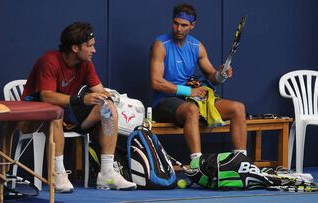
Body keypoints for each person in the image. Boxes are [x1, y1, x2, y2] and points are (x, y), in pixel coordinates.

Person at [22, 22, 137, 192]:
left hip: (66, 112)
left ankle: (107, 173)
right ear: (75, 48)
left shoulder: (85, 63)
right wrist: (81, 99)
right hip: (32, 117)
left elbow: (100, 91)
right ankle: (58, 174)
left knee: (108, 108)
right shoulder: (49, 61)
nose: (94, 50)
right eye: (89, 46)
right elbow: (47, 96)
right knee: (55, 113)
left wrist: (112, 99)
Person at [150, 4, 247, 169]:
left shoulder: (197, 46)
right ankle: (197, 165)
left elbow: (212, 76)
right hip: (165, 102)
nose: (178, 28)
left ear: (192, 26)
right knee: (191, 110)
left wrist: (222, 74)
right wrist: (190, 91)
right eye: (176, 23)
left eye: (184, 25)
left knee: (238, 108)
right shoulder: (161, 45)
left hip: (193, 100)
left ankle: (242, 164)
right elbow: (156, 82)